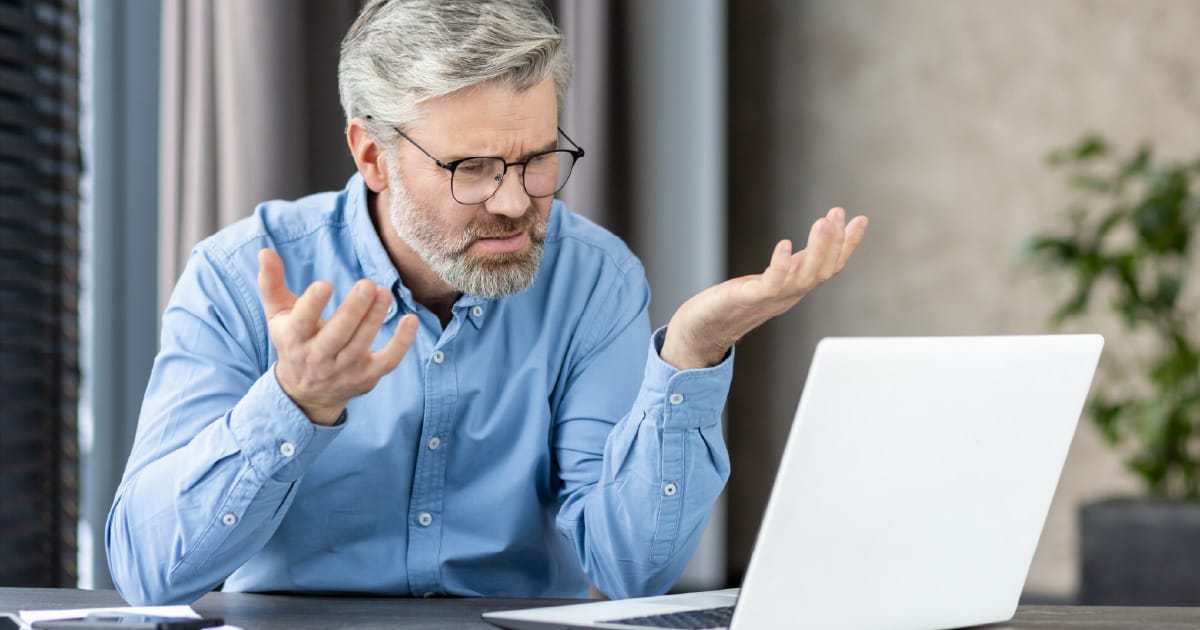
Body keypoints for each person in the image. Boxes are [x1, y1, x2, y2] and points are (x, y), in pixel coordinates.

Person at [106, 0, 868, 606]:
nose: (514, 202)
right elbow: (148, 573)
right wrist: (292, 403)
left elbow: (631, 570)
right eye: (471, 168)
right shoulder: (240, 276)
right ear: (373, 156)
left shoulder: (595, 280)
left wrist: (691, 357)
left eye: (537, 160)